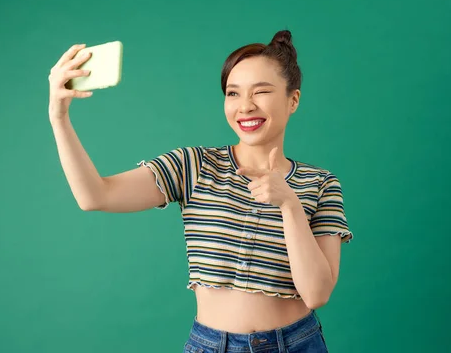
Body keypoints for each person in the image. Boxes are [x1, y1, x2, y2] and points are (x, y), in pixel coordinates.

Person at [48, 30, 353, 352]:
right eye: (233, 94)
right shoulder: (193, 165)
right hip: (210, 345)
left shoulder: (320, 183)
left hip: (296, 344)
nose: (245, 106)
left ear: (293, 99)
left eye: (261, 92)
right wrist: (59, 117)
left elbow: (317, 294)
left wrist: (289, 203)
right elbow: (96, 196)